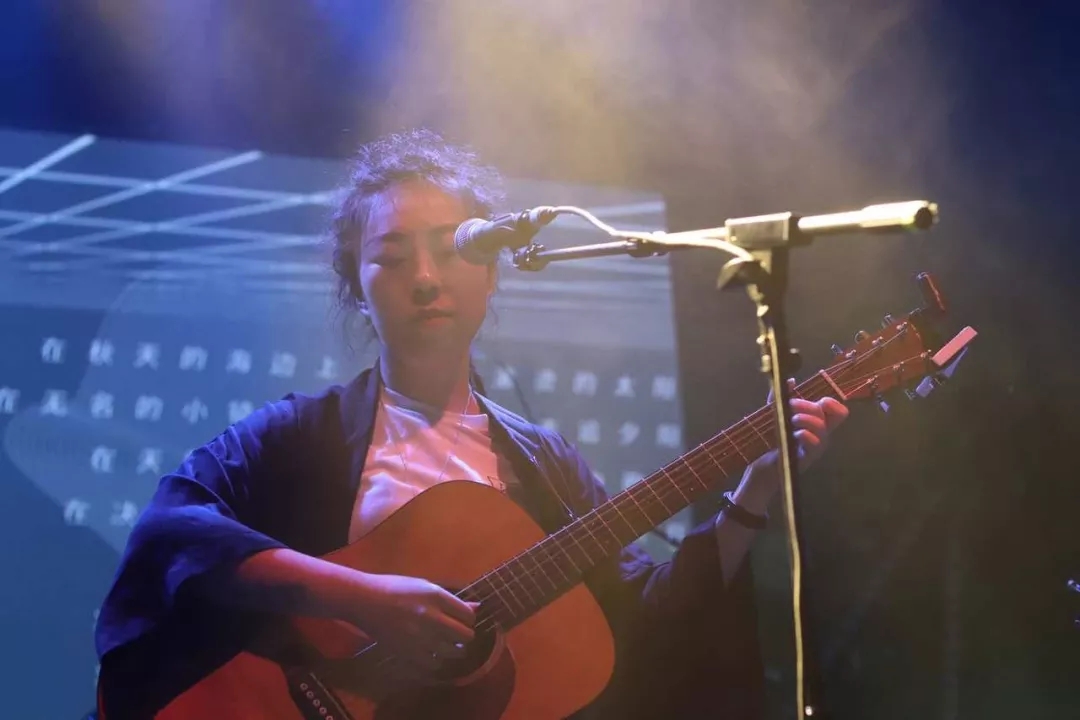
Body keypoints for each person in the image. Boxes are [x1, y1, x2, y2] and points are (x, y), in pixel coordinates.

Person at [93, 128, 849, 719]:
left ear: (489, 272)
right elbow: (173, 531)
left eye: (451, 249)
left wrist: (753, 493)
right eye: (391, 258)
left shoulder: (542, 462)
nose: (425, 278)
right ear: (357, 287)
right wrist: (361, 598)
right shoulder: (299, 435)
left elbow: (640, 618)